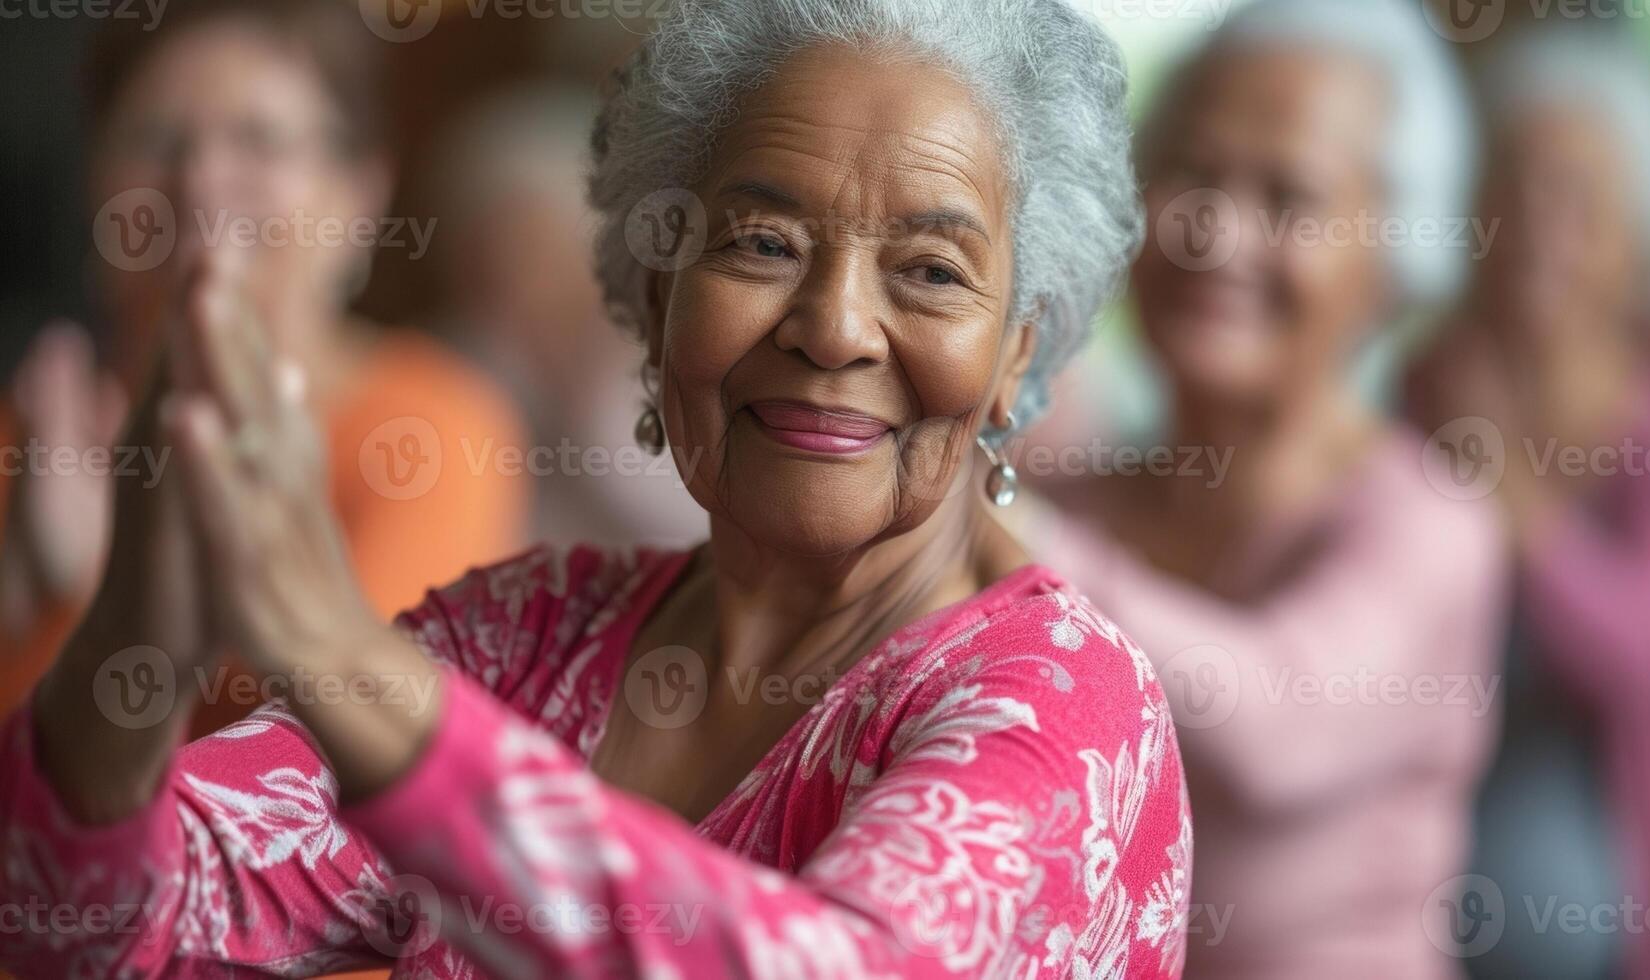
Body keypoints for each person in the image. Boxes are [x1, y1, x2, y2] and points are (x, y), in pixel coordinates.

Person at [0, 0, 1190, 976]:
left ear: (1017, 353)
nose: (834, 327)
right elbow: (78, 917)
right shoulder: (520, 636)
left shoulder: (1066, 700)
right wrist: (142, 597)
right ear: (658, 295)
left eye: (931, 270)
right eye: (763, 243)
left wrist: (330, 647)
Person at [1012, 1, 1508, 976]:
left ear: (1393, 264)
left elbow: (1278, 724)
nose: (1212, 233)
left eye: (1287, 196)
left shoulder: (1432, 524)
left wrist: (995, 520)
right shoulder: (1073, 505)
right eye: (1190, 173)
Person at [0, 0, 529, 730]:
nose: (202, 182)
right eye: (156, 138)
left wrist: (100, 592)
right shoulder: (29, 434)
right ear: (95, 182)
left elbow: (344, 752)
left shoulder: (427, 424)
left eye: (259, 141)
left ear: (361, 194)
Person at [1408, 26, 1650, 980]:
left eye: (1577, 196)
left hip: (1639, 925)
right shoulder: (1408, 396)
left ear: (1636, 239)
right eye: (1511, 179)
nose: (1535, 222)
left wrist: (1498, 474)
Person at [422, 85, 709, 551]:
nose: (511, 270)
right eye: (485, 245)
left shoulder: (665, 350)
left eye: (531, 244)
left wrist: (574, 383)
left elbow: (685, 524)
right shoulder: (448, 361)